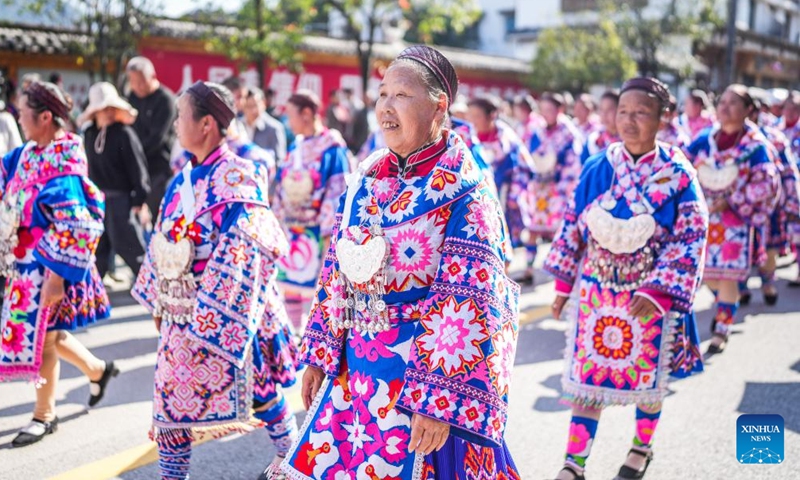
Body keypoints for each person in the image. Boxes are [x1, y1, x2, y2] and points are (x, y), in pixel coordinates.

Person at [282, 44, 520, 480]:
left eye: (402, 96)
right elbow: (338, 270)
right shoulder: (366, 178)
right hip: (356, 380)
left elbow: (469, 301)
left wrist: (438, 402)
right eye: (382, 95)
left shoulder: (466, 190)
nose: (386, 108)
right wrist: (319, 352)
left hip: (420, 389)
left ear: (439, 106)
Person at [131, 81, 300, 480]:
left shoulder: (240, 176)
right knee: (170, 408)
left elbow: (248, 246)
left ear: (206, 124)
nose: (174, 125)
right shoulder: (180, 181)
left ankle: (293, 459)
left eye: (180, 116)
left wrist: (214, 313)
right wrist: (162, 299)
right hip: (181, 312)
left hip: (231, 311)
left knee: (261, 392)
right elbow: (162, 240)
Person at [545, 77, 708, 480]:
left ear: (663, 118)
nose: (630, 121)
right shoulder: (598, 167)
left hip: (651, 296)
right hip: (598, 293)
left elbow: (691, 234)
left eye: (641, 113)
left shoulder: (677, 173)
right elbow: (572, 225)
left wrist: (658, 291)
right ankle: (574, 463)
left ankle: (641, 447)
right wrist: (564, 284)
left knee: (648, 379)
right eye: (623, 112)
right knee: (586, 380)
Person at [0, 82, 115, 446]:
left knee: (45, 340)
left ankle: (44, 415)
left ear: (45, 117)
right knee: (47, 334)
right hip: (24, 265)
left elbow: (78, 223)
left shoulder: (64, 161)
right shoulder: (28, 153)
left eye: (23, 111)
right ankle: (98, 370)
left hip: (52, 266)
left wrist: (56, 278)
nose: (18, 117)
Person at [685, 85, 781, 354]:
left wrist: (731, 200)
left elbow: (767, 184)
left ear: (748, 110)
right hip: (704, 221)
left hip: (735, 223)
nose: (724, 107)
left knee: (727, 277)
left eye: (733, 103)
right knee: (707, 277)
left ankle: (722, 329)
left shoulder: (755, 145)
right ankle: (726, 307)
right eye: (722, 102)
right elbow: (681, 169)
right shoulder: (704, 140)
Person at [272, 90, 350, 334]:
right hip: (291, 226)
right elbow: (281, 183)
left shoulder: (332, 147)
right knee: (290, 284)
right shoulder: (296, 146)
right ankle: (294, 333)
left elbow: (337, 188)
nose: (288, 121)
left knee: (320, 284)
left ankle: (317, 337)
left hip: (318, 228)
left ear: (307, 114)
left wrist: (330, 231)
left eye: (291, 114)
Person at [80, 82, 150, 280]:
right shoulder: (89, 135)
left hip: (121, 201)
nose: (108, 112)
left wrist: (139, 199)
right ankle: (93, 300)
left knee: (133, 251)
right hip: (96, 203)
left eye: (111, 108)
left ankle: (155, 294)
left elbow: (139, 168)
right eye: (104, 108)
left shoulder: (124, 133)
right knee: (97, 255)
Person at [738, 95, 800, 306]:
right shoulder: (721, 139)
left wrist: (792, 202)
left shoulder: (774, 138)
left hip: (769, 206)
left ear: (754, 112)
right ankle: (740, 287)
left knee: (769, 246)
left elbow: (789, 172)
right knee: (737, 246)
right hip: (736, 206)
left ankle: (767, 282)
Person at [468, 95, 534, 269]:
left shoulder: (506, 137)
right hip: (476, 198)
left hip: (504, 197)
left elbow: (524, 165)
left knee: (502, 240)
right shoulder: (468, 136)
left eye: (477, 116)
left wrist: (514, 195)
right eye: (470, 115)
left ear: (491, 116)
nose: (472, 120)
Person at [524, 92, 581, 284]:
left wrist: (562, 186)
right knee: (533, 229)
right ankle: (529, 269)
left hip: (558, 188)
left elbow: (573, 164)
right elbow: (529, 155)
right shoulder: (537, 130)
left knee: (559, 230)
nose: (546, 114)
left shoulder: (569, 133)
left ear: (560, 110)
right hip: (539, 187)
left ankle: (559, 270)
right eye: (543, 110)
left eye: (550, 110)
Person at [126, 56, 177, 218]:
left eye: (141, 82)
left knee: (159, 216)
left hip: (158, 168)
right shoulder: (132, 98)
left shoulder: (166, 100)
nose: (137, 87)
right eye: (133, 82)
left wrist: (134, 154)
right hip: (136, 168)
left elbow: (157, 138)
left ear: (153, 76)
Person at [782, 91, 800, 287]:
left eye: (794, 108)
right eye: (787, 107)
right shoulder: (777, 128)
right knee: (791, 229)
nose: (789, 111)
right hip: (785, 187)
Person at [243, 86, 288, 164]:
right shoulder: (238, 125)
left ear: (263, 103)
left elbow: (279, 160)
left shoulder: (274, 128)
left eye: (255, 105)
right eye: (249, 106)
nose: (253, 110)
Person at [580, 90, 620, 165]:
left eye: (609, 109)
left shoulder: (627, 141)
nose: (604, 114)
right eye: (601, 109)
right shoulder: (593, 140)